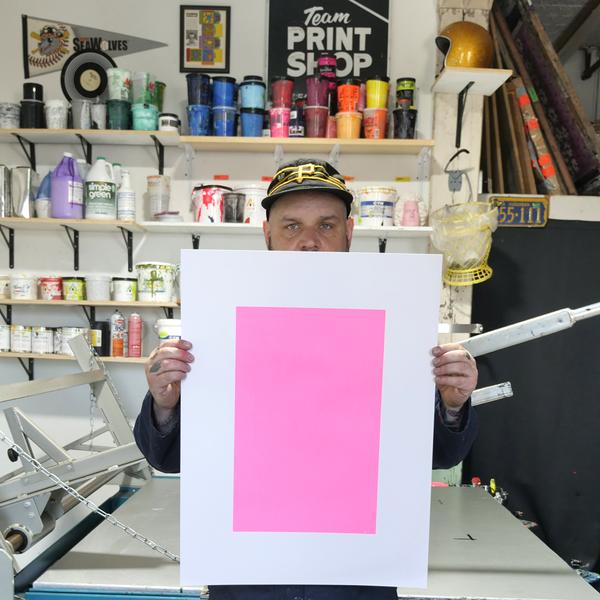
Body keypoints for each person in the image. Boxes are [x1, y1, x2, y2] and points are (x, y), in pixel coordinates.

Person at [134, 159, 479, 600]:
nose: (309, 243)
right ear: (268, 236)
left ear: (349, 233)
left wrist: (452, 404)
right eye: (292, 227)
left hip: (355, 575)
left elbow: (439, 456)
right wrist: (165, 404)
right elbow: (167, 460)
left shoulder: (393, 325)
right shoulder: (223, 325)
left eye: (326, 226)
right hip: (250, 574)